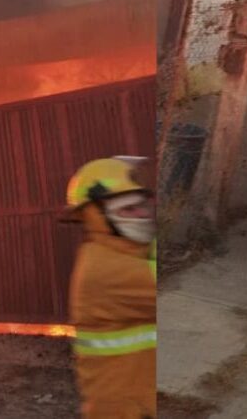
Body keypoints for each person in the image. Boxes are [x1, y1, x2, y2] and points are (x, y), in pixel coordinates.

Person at [65, 156, 157, 419]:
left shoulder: (125, 251)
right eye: (128, 209)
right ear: (97, 217)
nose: (141, 214)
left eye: (141, 206)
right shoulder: (103, 270)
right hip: (125, 409)